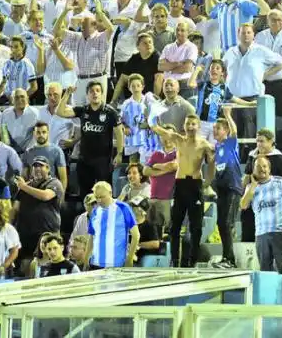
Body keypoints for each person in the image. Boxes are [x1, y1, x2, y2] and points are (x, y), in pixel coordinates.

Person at [151, 114, 214, 268]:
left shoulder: (205, 145)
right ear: (184, 126)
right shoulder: (178, 139)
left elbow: (212, 165)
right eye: (188, 124)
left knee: (196, 226)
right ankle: (174, 259)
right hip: (180, 185)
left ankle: (192, 260)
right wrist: (152, 118)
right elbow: (159, 130)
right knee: (174, 226)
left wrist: (208, 183)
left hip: (195, 184)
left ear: (198, 126)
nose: (190, 127)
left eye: (193, 124)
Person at [241, 154, 282, 273]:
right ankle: (268, 292)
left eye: (264, 166)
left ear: (269, 168)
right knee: (265, 269)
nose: (262, 169)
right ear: (253, 170)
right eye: (258, 166)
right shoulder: (250, 187)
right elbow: (243, 205)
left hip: (279, 232)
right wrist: (253, 186)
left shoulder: (280, 182)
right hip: (261, 234)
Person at [87, 181, 139, 269]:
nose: (99, 200)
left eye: (102, 197)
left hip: (116, 264)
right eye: (97, 197)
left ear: (110, 193)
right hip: (95, 263)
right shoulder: (95, 211)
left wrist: (130, 258)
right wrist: (86, 257)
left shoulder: (123, 208)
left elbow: (136, 235)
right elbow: (91, 236)